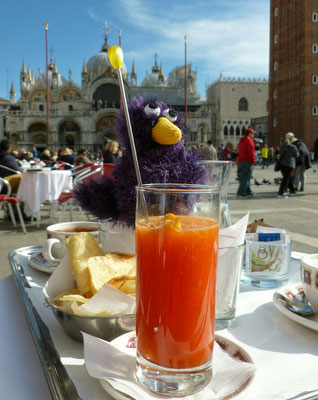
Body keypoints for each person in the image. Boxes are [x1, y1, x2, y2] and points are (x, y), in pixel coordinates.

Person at [277, 132, 299, 198]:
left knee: (287, 178)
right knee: (286, 179)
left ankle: (292, 191)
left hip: (282, 165)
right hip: (289, 165)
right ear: (292, 139)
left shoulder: (282, 146)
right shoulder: (293, 147)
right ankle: (281, 192)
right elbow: (297, 155)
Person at [236, 128, 256, 198]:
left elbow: (238, 151)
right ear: (249, 134)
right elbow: (251, 152)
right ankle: (240, 193)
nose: (253, 135)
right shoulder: (249, 141)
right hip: (247, 161)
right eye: (252, 133)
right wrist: (253, 161)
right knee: (245, 178)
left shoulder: (242, 141)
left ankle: (248, 192)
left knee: (246, 177)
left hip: (240, 161)